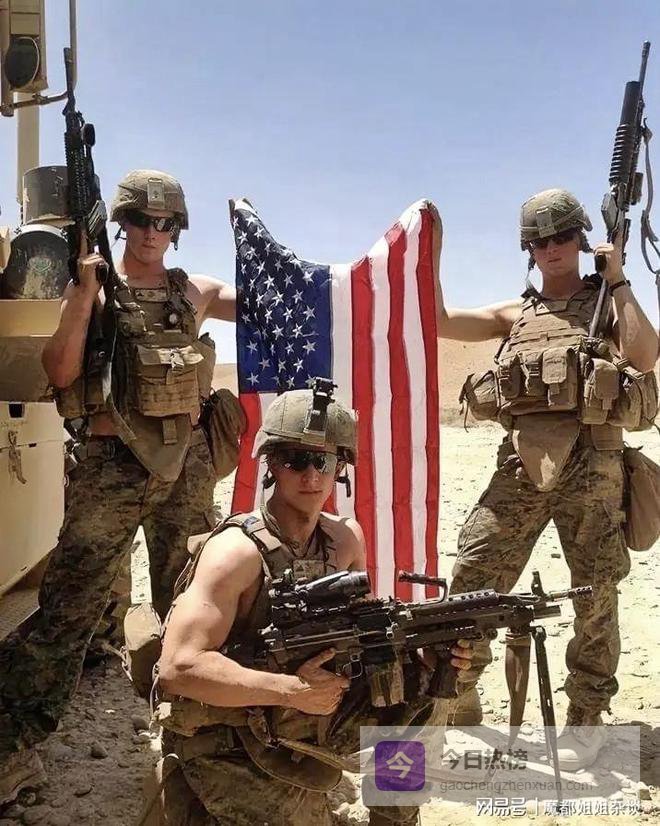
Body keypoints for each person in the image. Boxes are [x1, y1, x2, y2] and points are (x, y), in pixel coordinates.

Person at [0, 169, 236, 805]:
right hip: (111, 467)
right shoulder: (96, 291)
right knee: (69, 607)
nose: (152, 233)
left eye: (165, 223)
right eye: (140, 220)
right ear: (122, 223)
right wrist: (82, 296)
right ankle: (12, 746)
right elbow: (59, 371)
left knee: (195, 601)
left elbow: (277, 301)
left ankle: (203, 740)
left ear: (177, 229)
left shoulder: (196, 291)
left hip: (184, 468)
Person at [140, 384, 474, 826]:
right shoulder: (235, 554)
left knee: (424, 688)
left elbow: (363, 640)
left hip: (308, 714)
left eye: (324, 462)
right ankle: (184, 788)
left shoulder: (344, 539)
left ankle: (393, 816)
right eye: (295, 460)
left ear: (341, 468)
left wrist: (421, 655)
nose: (311, 476)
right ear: (271, 464)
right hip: (231, 730)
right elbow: (178, 667)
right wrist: (291, 691)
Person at [436, 188, 658, 769]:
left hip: (593, 466)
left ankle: (586, 714)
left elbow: (644, 356)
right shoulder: (514, 314)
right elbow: (439, 320)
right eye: (539, 240)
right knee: (474, 574)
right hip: (520, 467)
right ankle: (460, 691)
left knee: (596, 593)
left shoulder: (606, 302)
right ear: (527, 249)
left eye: (562, 236)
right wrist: (428, 249)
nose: (551, 248)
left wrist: (619, 278)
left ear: (581, 240)